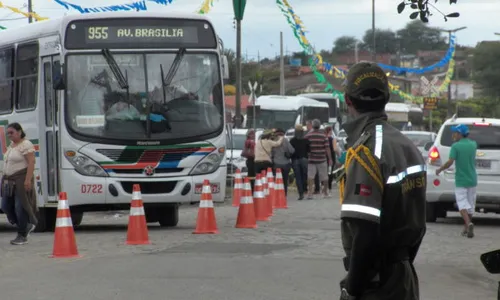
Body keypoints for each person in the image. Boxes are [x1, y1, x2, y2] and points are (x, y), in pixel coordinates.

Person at [338, 62, 426, 300]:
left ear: (347, 100)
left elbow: (365, 231)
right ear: (386, 98)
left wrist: (352, 288)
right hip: (404, 275)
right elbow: (419, 222)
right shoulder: (406, 145)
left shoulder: (366, 151)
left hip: (377, 283)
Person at [435, 124, 477, 238]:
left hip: (461, 179)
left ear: (460, 134)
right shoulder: (473, 145)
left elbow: (450, 162)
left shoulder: (456, 146)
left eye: (455, 133)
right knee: (470, 204)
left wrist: (440, 169)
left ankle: (468, 224)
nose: (453, 135)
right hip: (472, 179)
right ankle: (466, 227)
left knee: (462, 204)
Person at [1, 123, 38, 245]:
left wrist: (27, 180)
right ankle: (25, 226)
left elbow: (31, 162)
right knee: (5, 206)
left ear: (19, 132)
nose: (9, 135)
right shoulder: (12, 146)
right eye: (8, 133)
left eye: (11, 132)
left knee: (20, 206)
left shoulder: (26, 145)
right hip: (9, 181)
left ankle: (22, 234)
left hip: (20, 180)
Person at [305, 119, 332, 199]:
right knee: (325, 177)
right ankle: (325, 193)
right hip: (322, 159)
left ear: (312, 126)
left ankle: (310, 193)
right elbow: (327, 148)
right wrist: (330, 158)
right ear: (319, 126)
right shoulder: (323, 136)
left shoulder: (308, 136)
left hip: (311, 159)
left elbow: (305, 147)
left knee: (310, 177)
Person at [271, 128, 295, 196]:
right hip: (285, 163)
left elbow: (271, 153)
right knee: (285, 179)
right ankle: (284, 193)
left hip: (276, 163)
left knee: (277, 179)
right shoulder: (285, 140)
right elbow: (292, 150)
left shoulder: (273, 141)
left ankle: (277, 193)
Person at [290, 124, 310, 200]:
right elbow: (309, 151)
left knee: (298, 177)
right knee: (304, 176)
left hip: (295, 160)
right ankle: (305, 189)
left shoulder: (292, 141)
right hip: (304, 159)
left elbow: (290, 151)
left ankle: (301, 193)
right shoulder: (306, 140)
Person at [305, 120, 321, 194]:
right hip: (319, 156)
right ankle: (317, 188)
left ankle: (312, 190)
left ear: (311, 125)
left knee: (311, 174)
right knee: (316, 173)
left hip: (312, 156)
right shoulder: (319, 134)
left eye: (307, 125)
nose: (307, 127)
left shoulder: (309, 134)